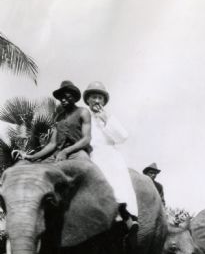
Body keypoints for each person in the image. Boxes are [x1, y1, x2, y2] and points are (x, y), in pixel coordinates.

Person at [83, 81, 138, 233]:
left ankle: (126, 216)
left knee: (117, 182)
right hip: (90, 156)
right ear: (88, 100)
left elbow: (122, 137)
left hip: (109, 156)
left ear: (104, 101)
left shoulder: (109, 118)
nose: (97, 101)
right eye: (93, 97)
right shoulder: (83, 117)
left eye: (100, 98)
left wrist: (106, 119)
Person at [22, 80, 91, 162]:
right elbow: (52, 144)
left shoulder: (83, 112)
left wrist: (66, 151)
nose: (63, 100)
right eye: (61, 97)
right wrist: (33, 156)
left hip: (77, 152)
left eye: (67, 97)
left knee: (85, 167)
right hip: (58, 153)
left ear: (73, 97)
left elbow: (86, 139)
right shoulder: (59, 117)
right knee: (38, 167)